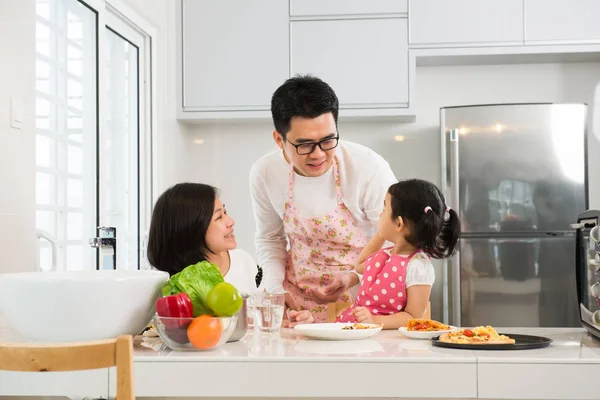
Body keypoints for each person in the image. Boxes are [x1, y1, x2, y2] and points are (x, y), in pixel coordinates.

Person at [249, 75, 397, 322]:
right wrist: (274, 290)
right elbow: (270, 239)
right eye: (304, 145)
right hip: (297, 307)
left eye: (328, 140)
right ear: (279, 140)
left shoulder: (368, 168)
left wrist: (354, 277)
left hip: (364, 305)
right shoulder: (265, 172)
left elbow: (397, 241)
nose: (318, 154)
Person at [147, 183, 258, 294]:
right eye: (219, 217)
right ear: (191, 229)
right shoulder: (171, 286)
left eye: (225, 212)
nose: (231, 222)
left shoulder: (243, 260)